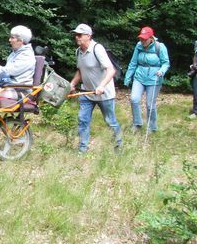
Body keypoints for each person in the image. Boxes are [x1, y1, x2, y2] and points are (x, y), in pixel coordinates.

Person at [69, 23, 122, 154]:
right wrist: (72, 84)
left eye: (80, 35)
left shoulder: (97, 49)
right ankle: (82, 149)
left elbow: (111, 70)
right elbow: (80, 71)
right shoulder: (78, 51)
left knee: (110, 121)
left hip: (104, 94)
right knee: (83, 120)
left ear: (88, 36)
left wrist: (101, 86)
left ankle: (118, 146)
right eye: (76, 35)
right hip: (87, 93)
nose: (77, 37)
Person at [123, 26, 170, 133]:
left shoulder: (160, 47)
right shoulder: (138, 45)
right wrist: (128, 77)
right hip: (139, 77)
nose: (142, 40)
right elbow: (133, 62)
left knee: (150, 104)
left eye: (145, 39)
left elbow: (166, 63)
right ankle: (137, 123)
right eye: (141, 38)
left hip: (154, 78)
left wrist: (162, 71)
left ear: (151, 38)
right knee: (134, 99)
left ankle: (152, 127)